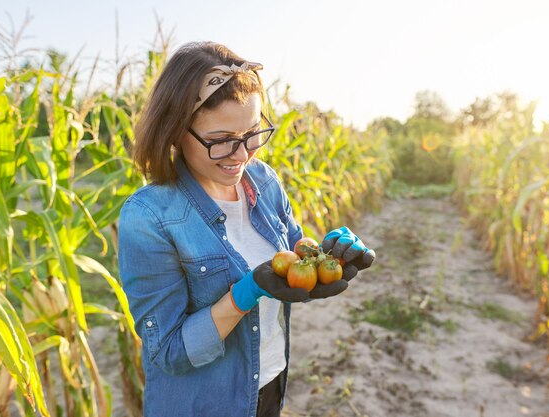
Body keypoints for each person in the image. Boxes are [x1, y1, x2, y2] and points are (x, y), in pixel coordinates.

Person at [117, 41, 375, 417]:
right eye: (221, 142)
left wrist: (325, 253)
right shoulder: (149, 217)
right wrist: (244, 293)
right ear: (175, 131)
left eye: (253, 133)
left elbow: (291, 253)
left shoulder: (264, 181)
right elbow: (169, 352)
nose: (242, 155)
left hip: (269, 381)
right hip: (203, 404)